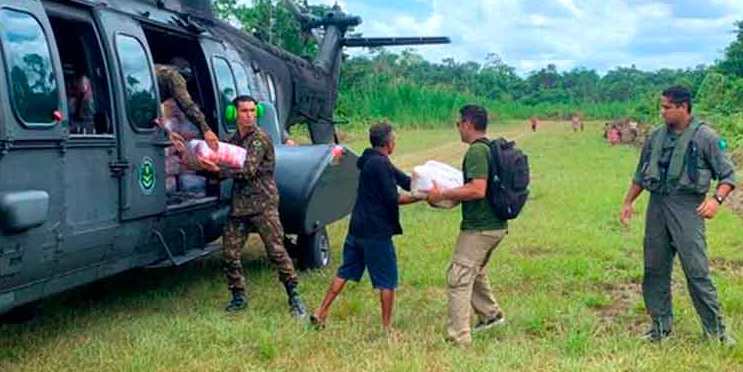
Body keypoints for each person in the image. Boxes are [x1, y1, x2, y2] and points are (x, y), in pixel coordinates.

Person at [619, 85, 737, 343]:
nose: (662, 112)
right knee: (654, 267)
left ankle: (716, 333)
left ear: (683, 107)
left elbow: (728, 176)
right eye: (661, 107)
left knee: (696, 270)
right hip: (657, 205)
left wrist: (716, 200)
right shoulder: (655, 136)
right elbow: (641, 174)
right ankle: (660, 327)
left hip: (687, 207)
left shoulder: (706, 137)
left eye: (666, 107)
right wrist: (628, 202)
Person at [182, 95, 307, 318]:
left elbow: (247, 170)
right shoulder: (235, 140)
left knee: (277, 252)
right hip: (240, 206)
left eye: (252, 111)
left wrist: (216, 171)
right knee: (229, 253)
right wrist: (204, 167)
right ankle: (238, 296)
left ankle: (294, 297)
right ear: (235, 114)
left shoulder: (260, 139)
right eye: (244, 111)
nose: (249, 115)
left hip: (262, 205)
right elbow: (224, 166)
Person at [310, 122, 419, 331]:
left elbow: (404, 180)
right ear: (388, 143)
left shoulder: (369, 159)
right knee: (387, 279)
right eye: (394, 140)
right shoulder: (381, 164)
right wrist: (420, 197)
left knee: (344, 271)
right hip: (376, 232)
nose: (394, 143)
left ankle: (321, 312)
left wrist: (423, 180)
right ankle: (387, 328)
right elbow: (392, 198)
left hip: (357, 228)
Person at [426, 105, 508, 346]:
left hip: (479, 228)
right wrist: (443, 200)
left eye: (459, 123)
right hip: (496, 225)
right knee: (475, 270)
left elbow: (477, 189)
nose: (458, 128)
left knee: (459, 276)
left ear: (468, 124)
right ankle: (491, 316)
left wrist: (443, 193)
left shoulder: (476, 152)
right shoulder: (491, 148)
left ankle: (458, 337)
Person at [156, 61, 219, 151]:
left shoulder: (152, 70)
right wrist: (206, 129)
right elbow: (187, 104)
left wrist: (167, 133)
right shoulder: (173, 75)